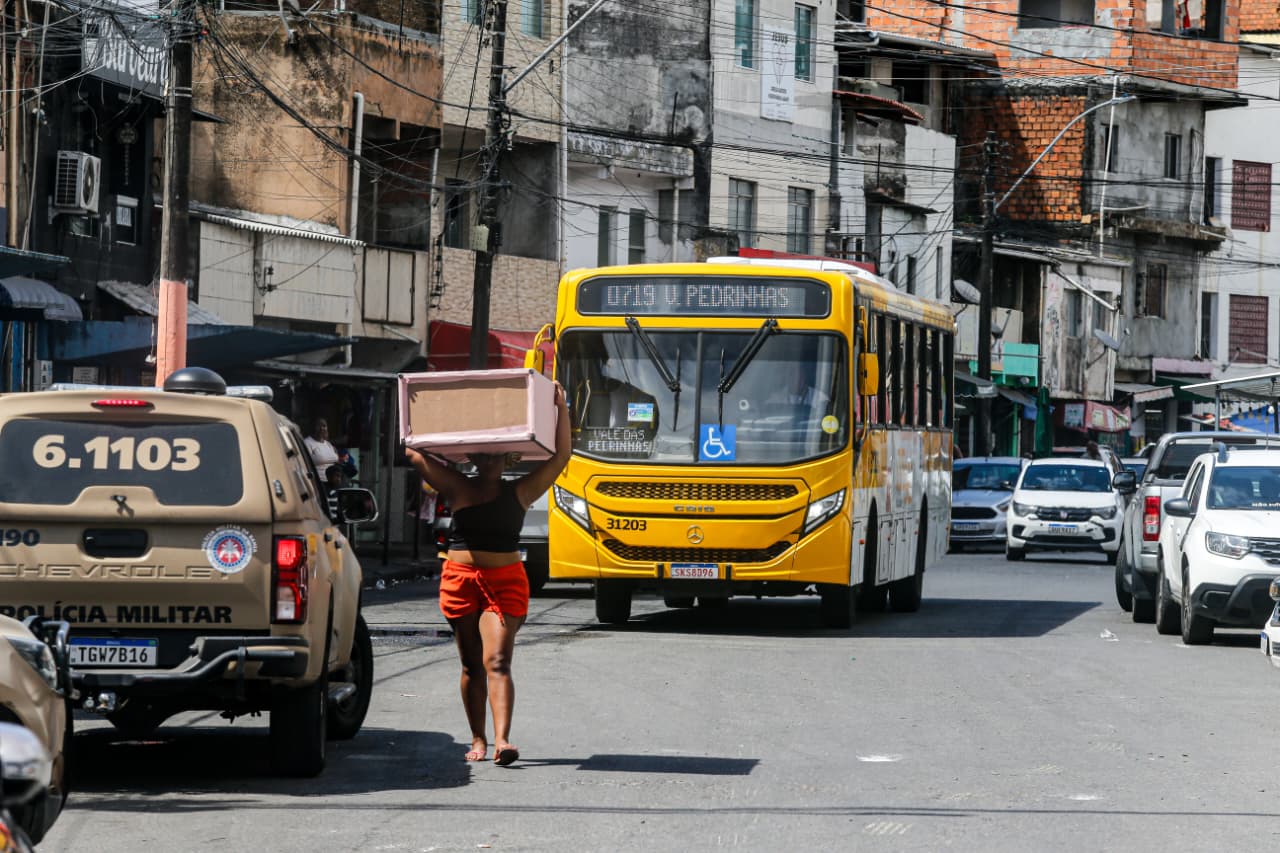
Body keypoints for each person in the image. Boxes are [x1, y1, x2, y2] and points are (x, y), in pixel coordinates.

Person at [404, 381, 571, 767]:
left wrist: (561, 407)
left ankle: (502, 741)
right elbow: (413, 451)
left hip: (504, 583)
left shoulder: (521, 491)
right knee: (469, 663)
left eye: (498, 453)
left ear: (510, 456)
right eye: (483, 452)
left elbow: (562, 455)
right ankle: (477, 738)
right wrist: (428, 405)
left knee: (497, 660)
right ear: (473, 455)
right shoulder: (457, 485)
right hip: (460, 581)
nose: (490, 459)